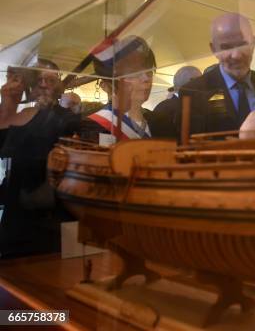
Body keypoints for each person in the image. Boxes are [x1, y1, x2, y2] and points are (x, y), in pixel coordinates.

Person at [0, 59, 80, 258]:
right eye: (39, 79)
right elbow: (4, 148)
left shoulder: (65, 119)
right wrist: (9, 102)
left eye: (51, 81)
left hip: (49, 218)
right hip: (17, 215)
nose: (44, 85)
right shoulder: (22, 114)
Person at [179, 13, 255, 138]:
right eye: (226, 47)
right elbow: (192, 148)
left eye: (242, 45)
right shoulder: (194, 91)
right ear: (214, 49)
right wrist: (243, 137)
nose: (236, 55)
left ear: (253, 43)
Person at [80, 36, 162, 143]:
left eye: (149, 72)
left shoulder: (161, 122)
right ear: (111, 81)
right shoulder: (92, 124)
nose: (146, 78)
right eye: (135, 73)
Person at [153, 65, 201, 137]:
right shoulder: (166, 109)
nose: (202, 85)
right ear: (192, 82)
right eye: (200, 81)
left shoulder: (163, 106)